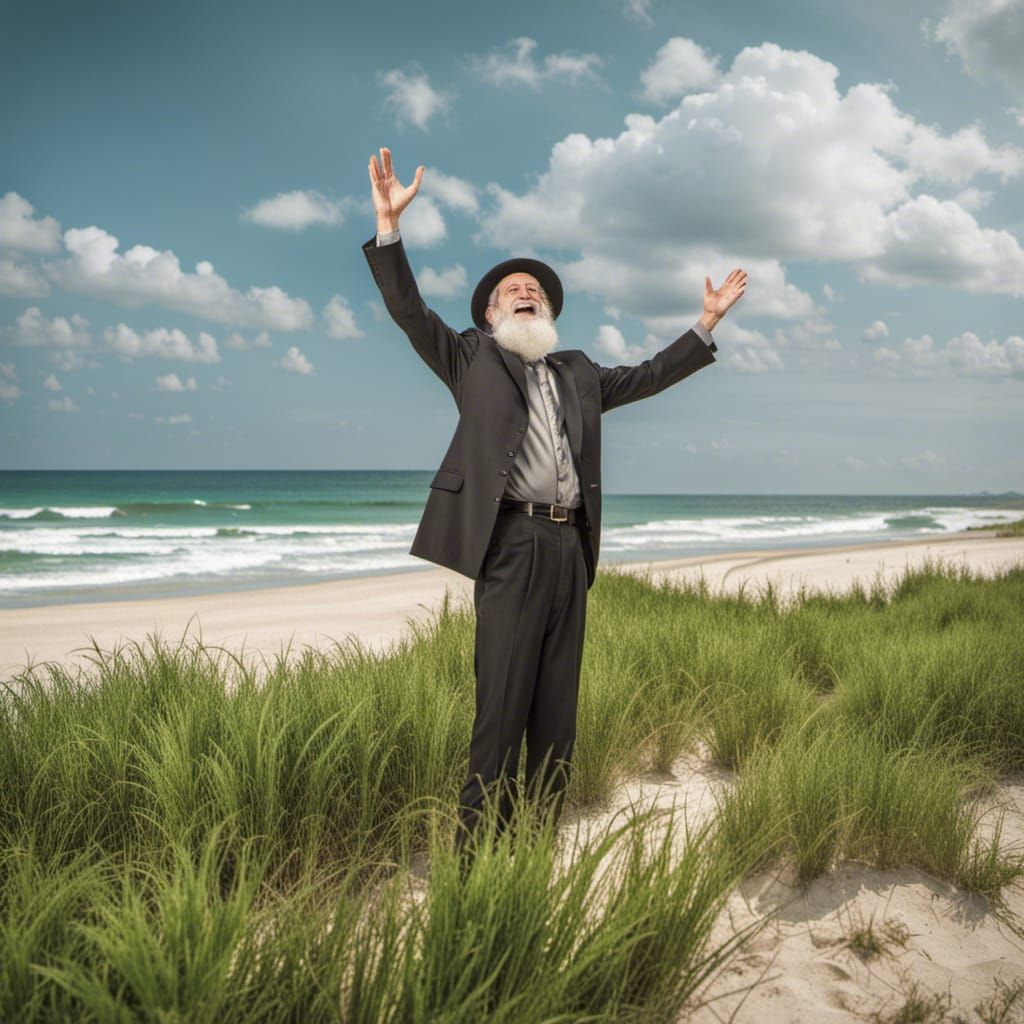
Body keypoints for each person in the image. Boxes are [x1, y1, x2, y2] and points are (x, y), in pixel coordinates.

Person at [362, 146, 747, 862]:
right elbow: (409, 312)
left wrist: (704, 326)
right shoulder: (469, 357)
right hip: (508, 547)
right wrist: (389, 231)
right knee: (497, 717)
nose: (525, 289)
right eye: (511, 287)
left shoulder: (577, 372)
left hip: (572, 552)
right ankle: (476, 866)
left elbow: (649, 376)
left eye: (534, 288)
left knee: (555, 725)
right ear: (489, 312)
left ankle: (532, 859)